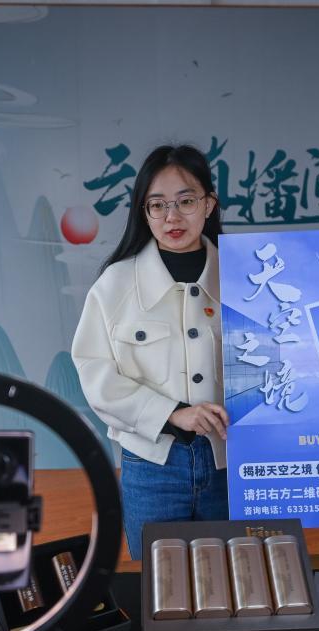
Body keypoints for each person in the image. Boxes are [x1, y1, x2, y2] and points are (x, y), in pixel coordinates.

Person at [71, 144, 230, 560]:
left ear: (209, 204)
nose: (172, 217)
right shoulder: (115, 284)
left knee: (232, 579)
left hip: (231, 463)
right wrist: (172, 413)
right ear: (144, 213)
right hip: (152, 465)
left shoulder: (245, 277)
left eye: (186, 201)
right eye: (157, 205)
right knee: (161, 584)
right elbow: (95, 372)